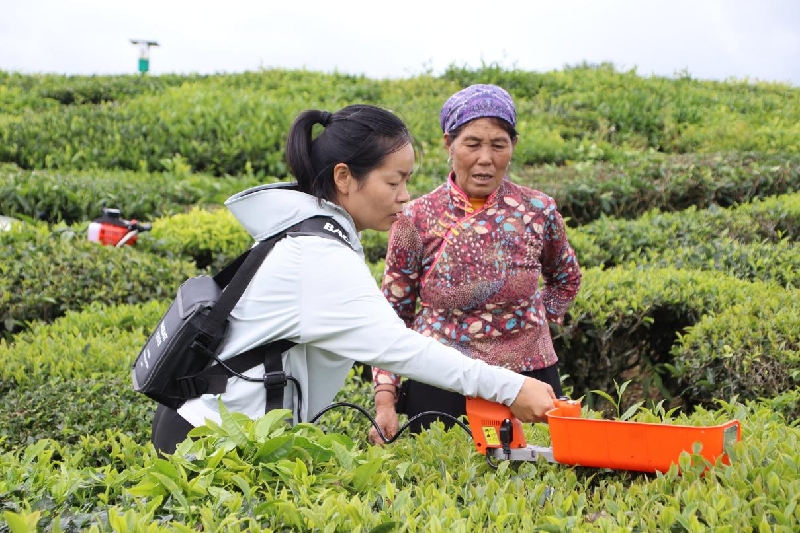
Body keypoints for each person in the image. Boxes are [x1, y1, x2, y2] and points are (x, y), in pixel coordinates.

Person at [151, 103, 558, 455]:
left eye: (408, 181)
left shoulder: (312, 234)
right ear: (344, 178)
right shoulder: (318, 256)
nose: (404, 196)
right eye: (393, 181)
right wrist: (510, 388)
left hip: (214, 428)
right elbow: (398, 347)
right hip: (208, 439)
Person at [369, 85, 582, 444]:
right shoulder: (417, 218)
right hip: (440, 378)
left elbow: (566, 279)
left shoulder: (537, 211)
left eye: (499, 144)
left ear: (512, 147)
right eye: (472, 144)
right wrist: (386, 399)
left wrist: (531, 324)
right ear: (448, 145)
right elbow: (393, 316)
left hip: (530, 378)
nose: (486, 158)